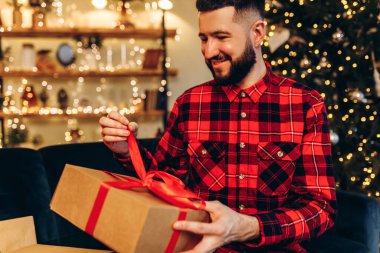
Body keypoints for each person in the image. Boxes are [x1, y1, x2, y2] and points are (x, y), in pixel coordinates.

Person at [99, 0, 336, 252]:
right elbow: (162, 184)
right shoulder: (189, 104)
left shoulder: (305, 104)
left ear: (257, 33)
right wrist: (127, 151)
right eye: (203, 38)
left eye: (221, 37)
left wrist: (249, 226)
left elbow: (320, 208)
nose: (209, 51)